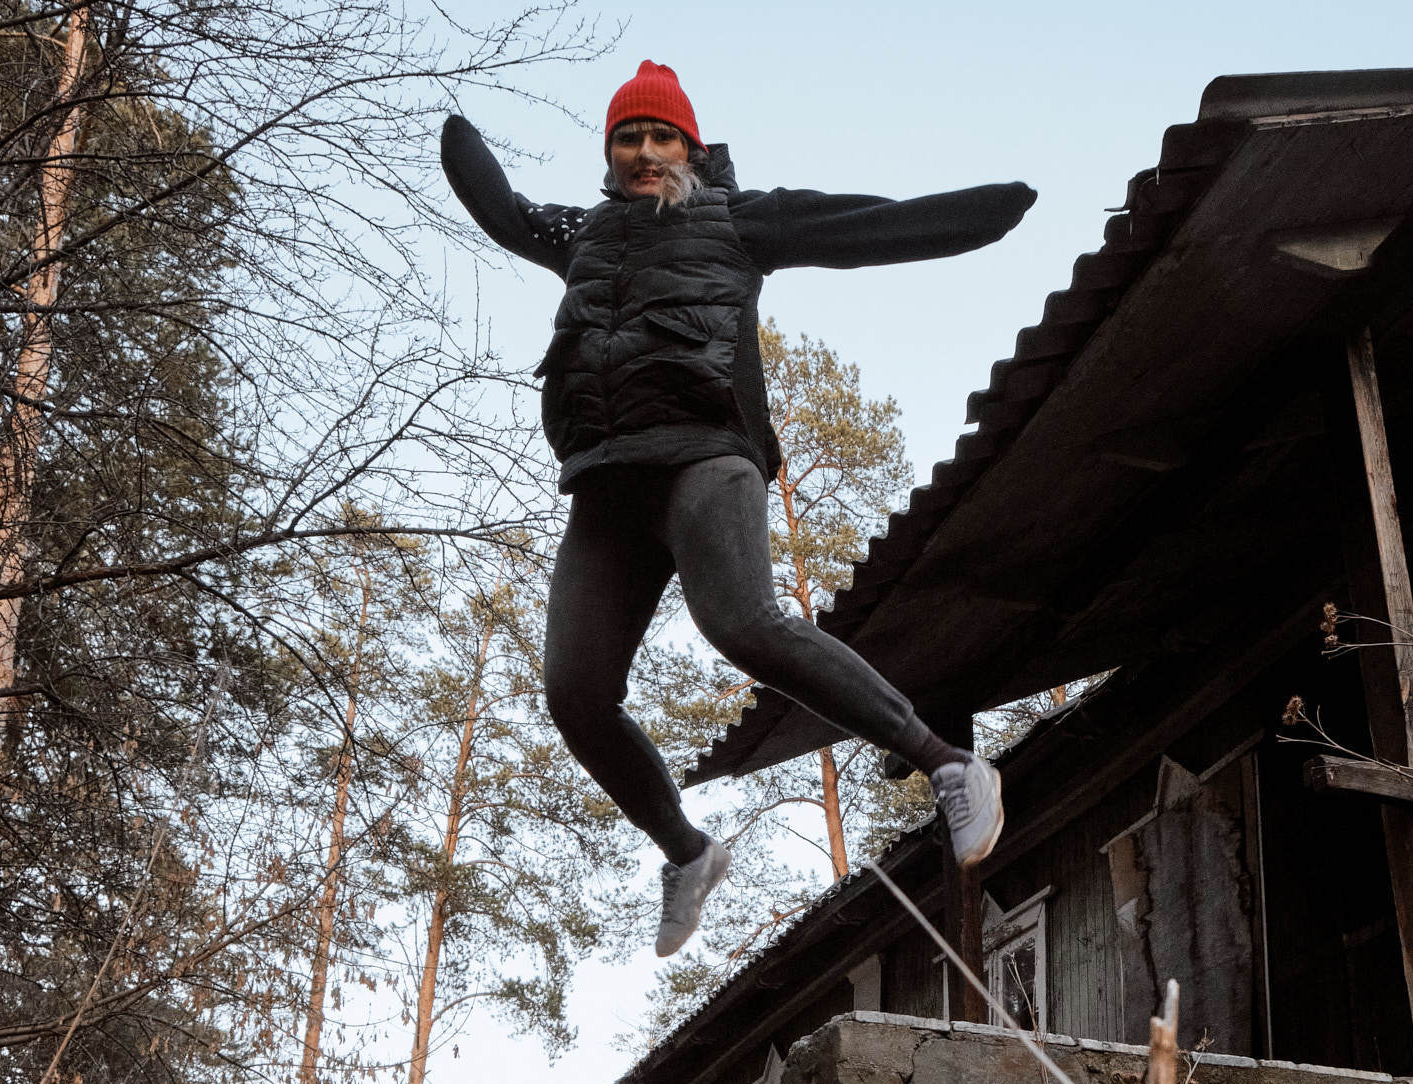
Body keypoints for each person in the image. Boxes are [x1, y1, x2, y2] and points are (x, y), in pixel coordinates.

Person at [441, 60, 1035, 956]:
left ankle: (949, 766)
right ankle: (688, 853)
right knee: (575, 694)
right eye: (628, 138)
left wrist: (985, 211)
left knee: (742, 621)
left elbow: (866, 227)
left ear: (689, 148)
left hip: (706, 458)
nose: (645, 152)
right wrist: (453, 130)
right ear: (610, 153)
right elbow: (505, 212)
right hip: (607, 486)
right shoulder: (582, 236)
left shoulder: (738, 218)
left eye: (661, 136)